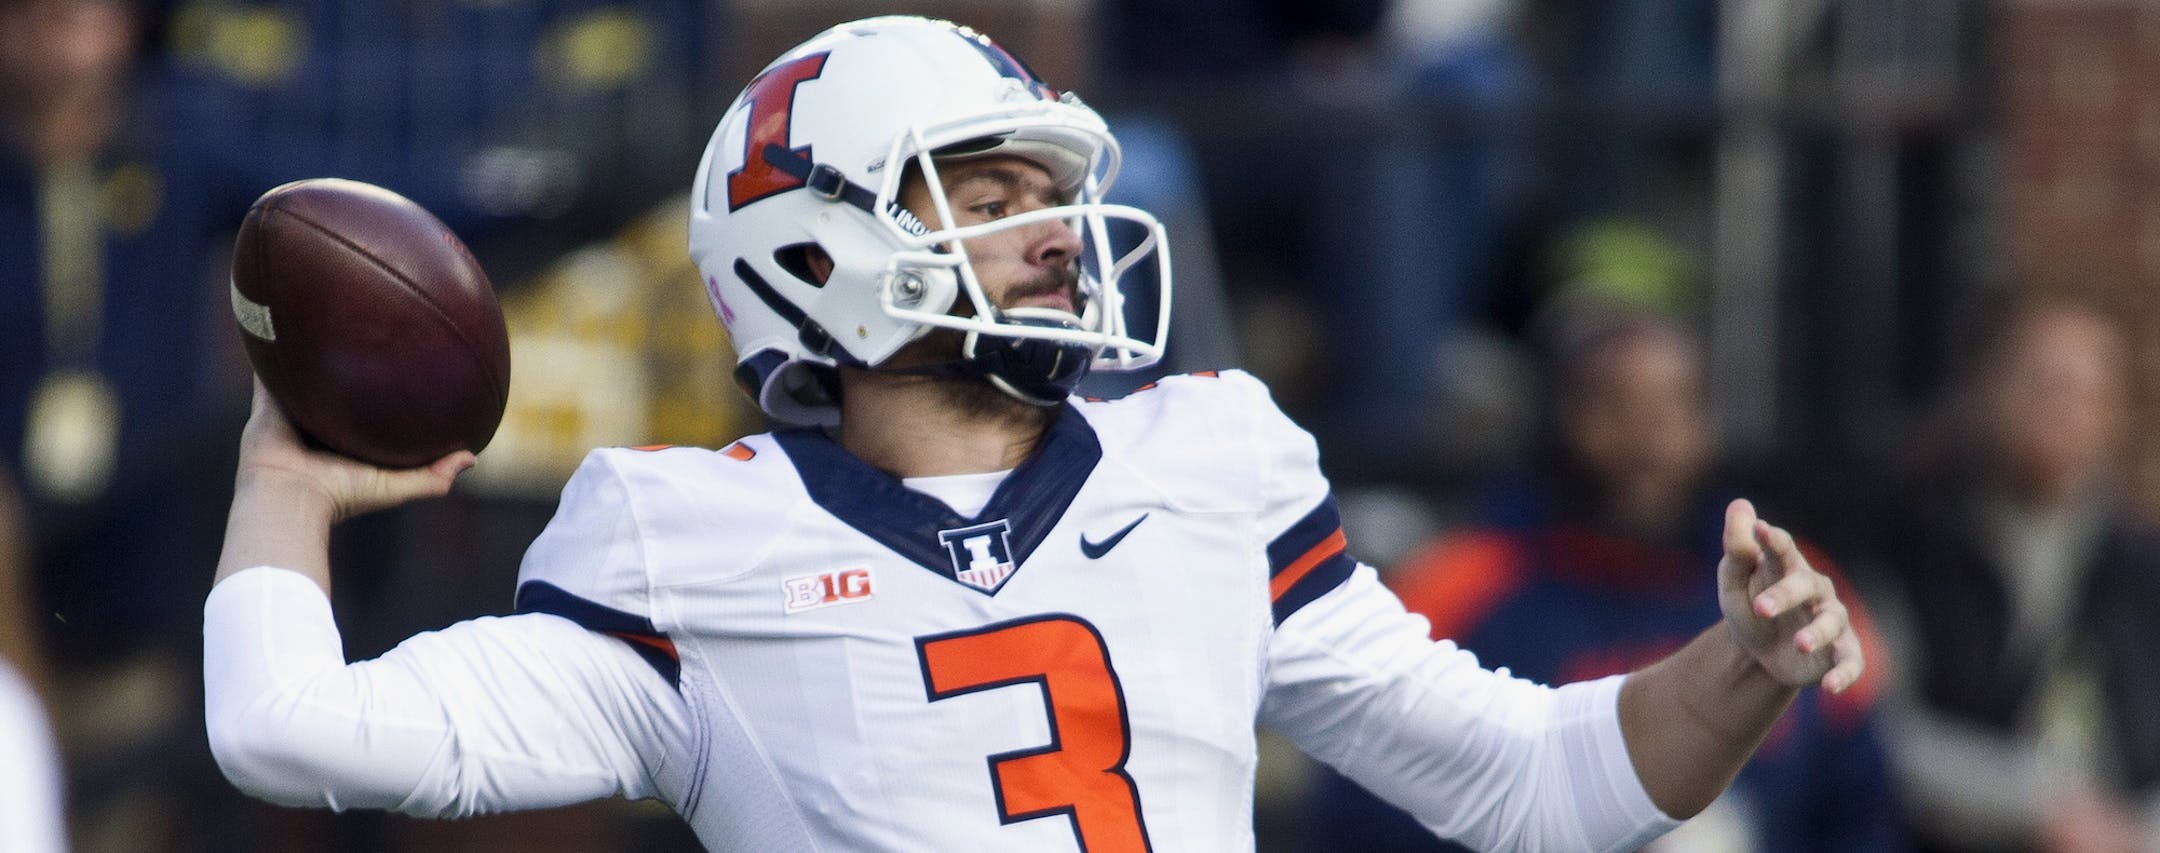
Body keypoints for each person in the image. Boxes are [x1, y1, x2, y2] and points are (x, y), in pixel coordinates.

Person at [203, 16, 1863, 851]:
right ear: (816, 253)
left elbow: (1539, 786)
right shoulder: (677, 537)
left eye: (1053, 196)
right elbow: (291, 730)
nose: (1054, 236)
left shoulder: (1211, 459)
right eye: (990, 199)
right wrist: (284, 479)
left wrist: (1742, 661)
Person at [1302, 306, 1903, 851]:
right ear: (1557, 416)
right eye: (1613, 405)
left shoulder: (1791, 587)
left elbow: (1861, 809)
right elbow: (1365, 811)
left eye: (1676, 407)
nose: (1649, 440)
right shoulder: (1456, 584)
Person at [1867, 295, 2160, 853]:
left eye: (2082, 390)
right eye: (2040, 384)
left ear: (2116, 414)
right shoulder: (1912, 550)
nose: (2060, 409)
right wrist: (2032, 807)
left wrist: (2136, 833)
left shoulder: (2142, 569)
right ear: (1985, 392)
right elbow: (1879, 729)